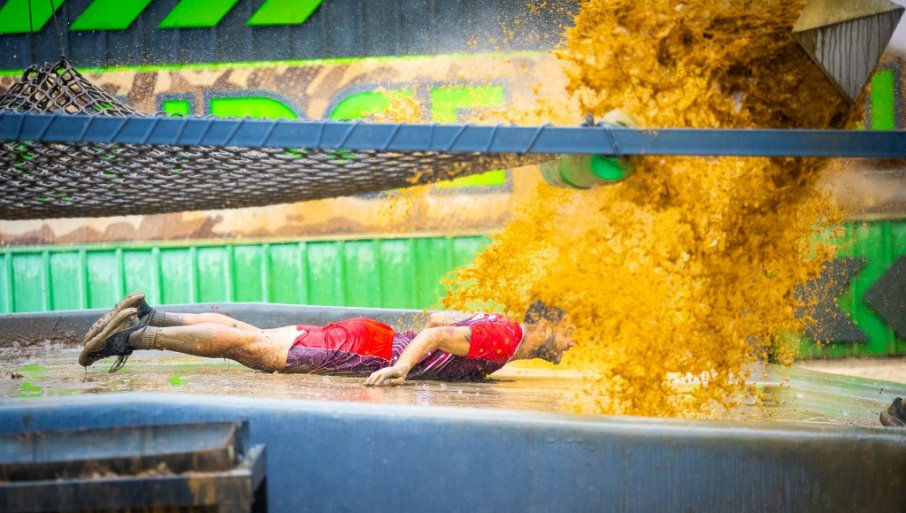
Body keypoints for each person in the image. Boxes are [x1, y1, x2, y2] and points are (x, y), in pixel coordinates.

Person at [78, 292, 576, 385]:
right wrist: (403, 367)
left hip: (372, 338)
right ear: (545, 324)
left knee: (257, 335)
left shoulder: (501, 325)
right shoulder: (507, 339)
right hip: (369, 351)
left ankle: (152, 315)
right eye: (570, 332)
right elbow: (439, 331)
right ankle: (133, 338)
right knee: (255, 351)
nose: (573, 343)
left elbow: (441, 317)